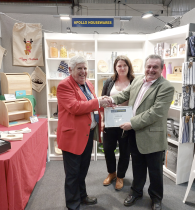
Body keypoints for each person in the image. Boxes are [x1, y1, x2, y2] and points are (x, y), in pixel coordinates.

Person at [104, 54, 174, 210]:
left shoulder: (166, 87)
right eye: (149, 66)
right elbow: (125, 95)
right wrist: (109, 100)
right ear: (145, 67)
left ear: (161, 69)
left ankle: (156, 198)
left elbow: (156, 112)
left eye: (155, 67)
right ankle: (136, 192)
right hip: (134, 134)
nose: (151, 70)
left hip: (152, 136)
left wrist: (132, 123)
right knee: (137, 166)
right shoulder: (137, 81)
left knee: (155, 170)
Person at [57, 55, 109, 210]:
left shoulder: (88, 83)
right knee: (72, 173)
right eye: (79, 68)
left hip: (87, 133)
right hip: (72, 136)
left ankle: (82, 196)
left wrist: (103, 101)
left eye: (85, 68)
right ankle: (73, 205)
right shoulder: (64, 85)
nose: (83, 71)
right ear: (71, 69)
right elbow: (75, 107)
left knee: (83, 169)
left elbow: (90, 103)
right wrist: (98, 102)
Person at [101, 55, 134, 190]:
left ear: (128, 67)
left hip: (127, 123)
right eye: (119, 65)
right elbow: (102, 102)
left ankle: (120, 176)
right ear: (115, 67)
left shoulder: (135, 82)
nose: (122, 68)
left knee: (125, 151)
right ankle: (111, 173)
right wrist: (102, 120)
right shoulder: (109, 82)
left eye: (124, 65)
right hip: (110, 121)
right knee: (108, 149)